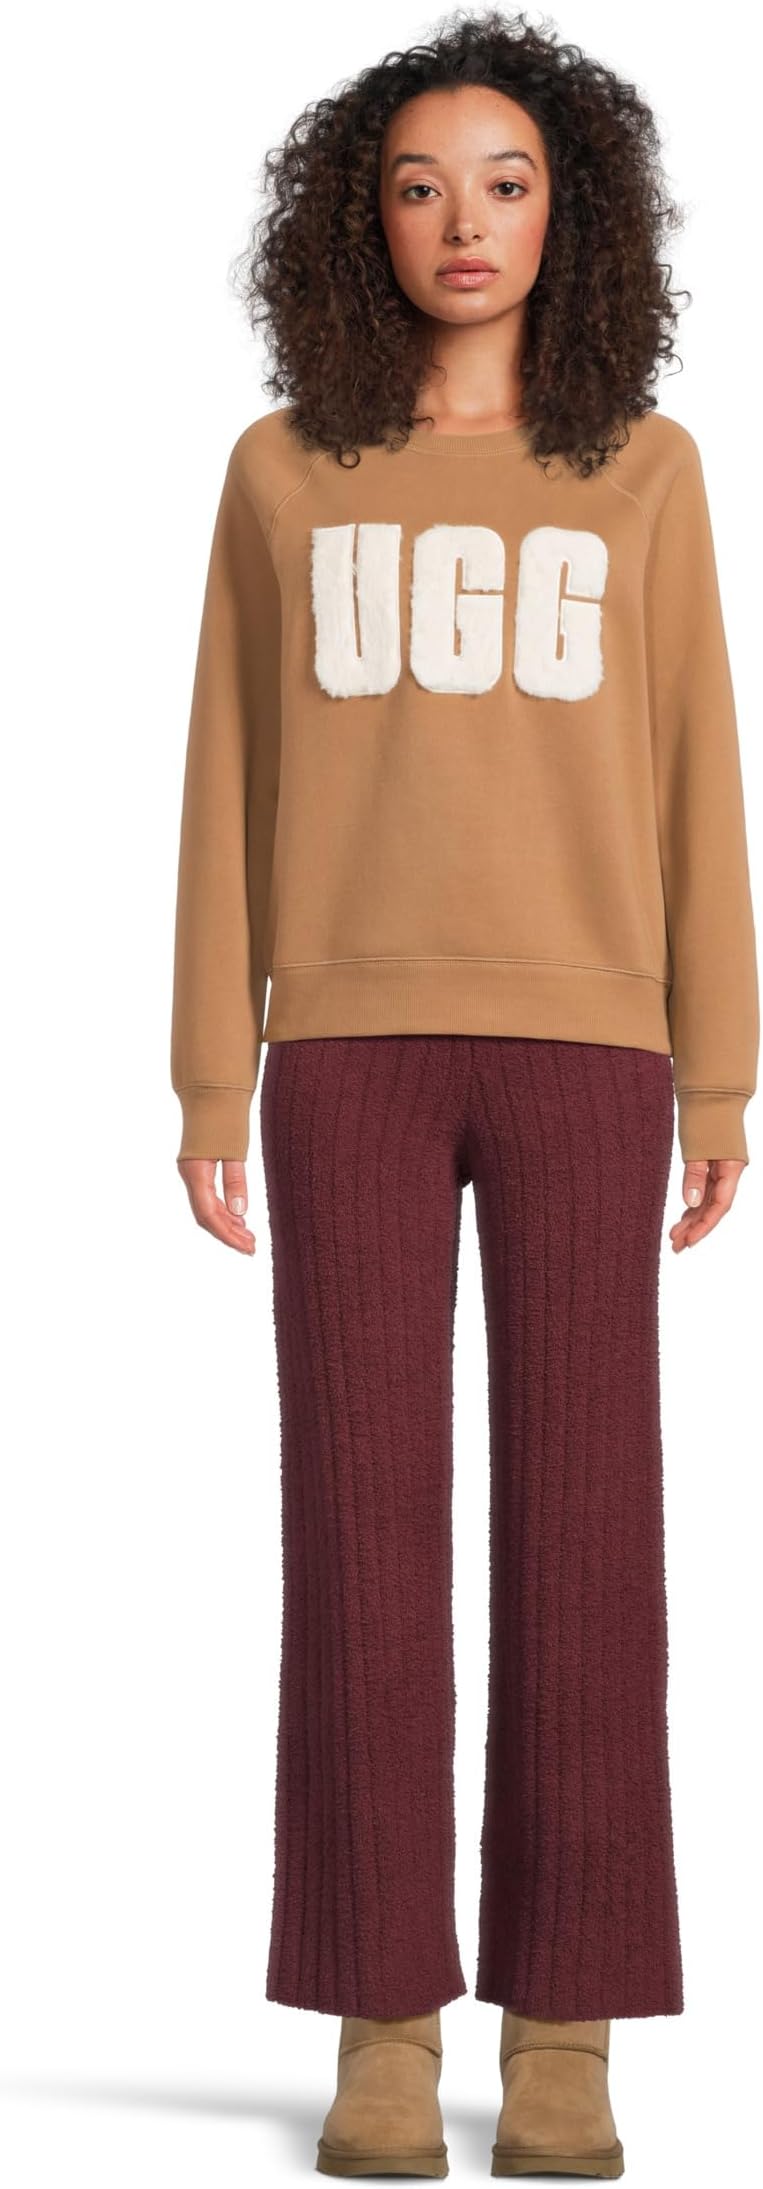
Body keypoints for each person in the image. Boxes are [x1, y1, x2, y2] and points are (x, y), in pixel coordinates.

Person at [169, 11, 759, 2179]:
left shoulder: (647, 471)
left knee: (590, 1528)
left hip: (595, 1043)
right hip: (342, 1048)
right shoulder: (282, 470)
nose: (464, 223)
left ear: (569, 214)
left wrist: (721, 1066)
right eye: (418, 186)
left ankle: (569, 2024)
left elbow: (697, 765)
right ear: (362, 224)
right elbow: (226, 770)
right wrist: (206, 1067)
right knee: (359, 1530)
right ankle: (383, 2021)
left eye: (506, 182)